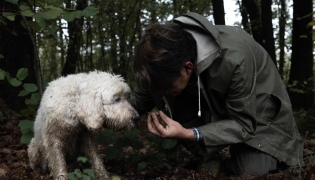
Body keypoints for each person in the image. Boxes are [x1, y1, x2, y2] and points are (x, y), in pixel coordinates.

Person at [129, 12, 304, 176]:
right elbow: (138, 100)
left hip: (257, 118)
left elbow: (244, 125)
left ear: (187, 68)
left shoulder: (234, 59)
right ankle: (207, 157)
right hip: (216, 109)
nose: (160, 93)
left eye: (165, 86)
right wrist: (108, 114)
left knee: (252, 172)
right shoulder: (158, 62)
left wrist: (188, 133)